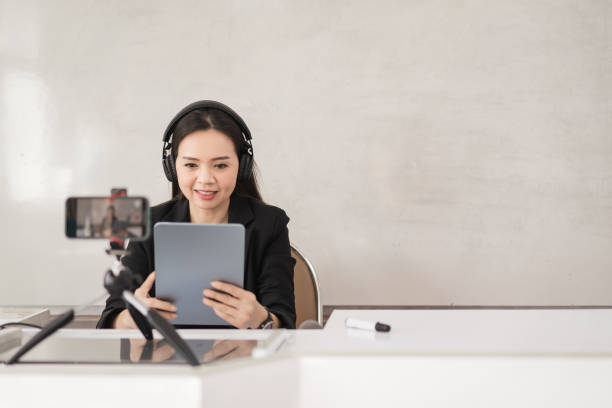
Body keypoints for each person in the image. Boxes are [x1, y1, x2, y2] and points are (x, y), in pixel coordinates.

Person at [97, 101, 296, 329]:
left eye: (220, 166)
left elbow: (286, 320)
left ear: (242, 167)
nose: (205, 179)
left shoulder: (269, 223)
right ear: (172, 168)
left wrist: (263, 319)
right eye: (191, 165)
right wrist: (132, 318)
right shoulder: (149, 223)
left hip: (245, 360)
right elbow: (110, 319)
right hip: (167, 359)